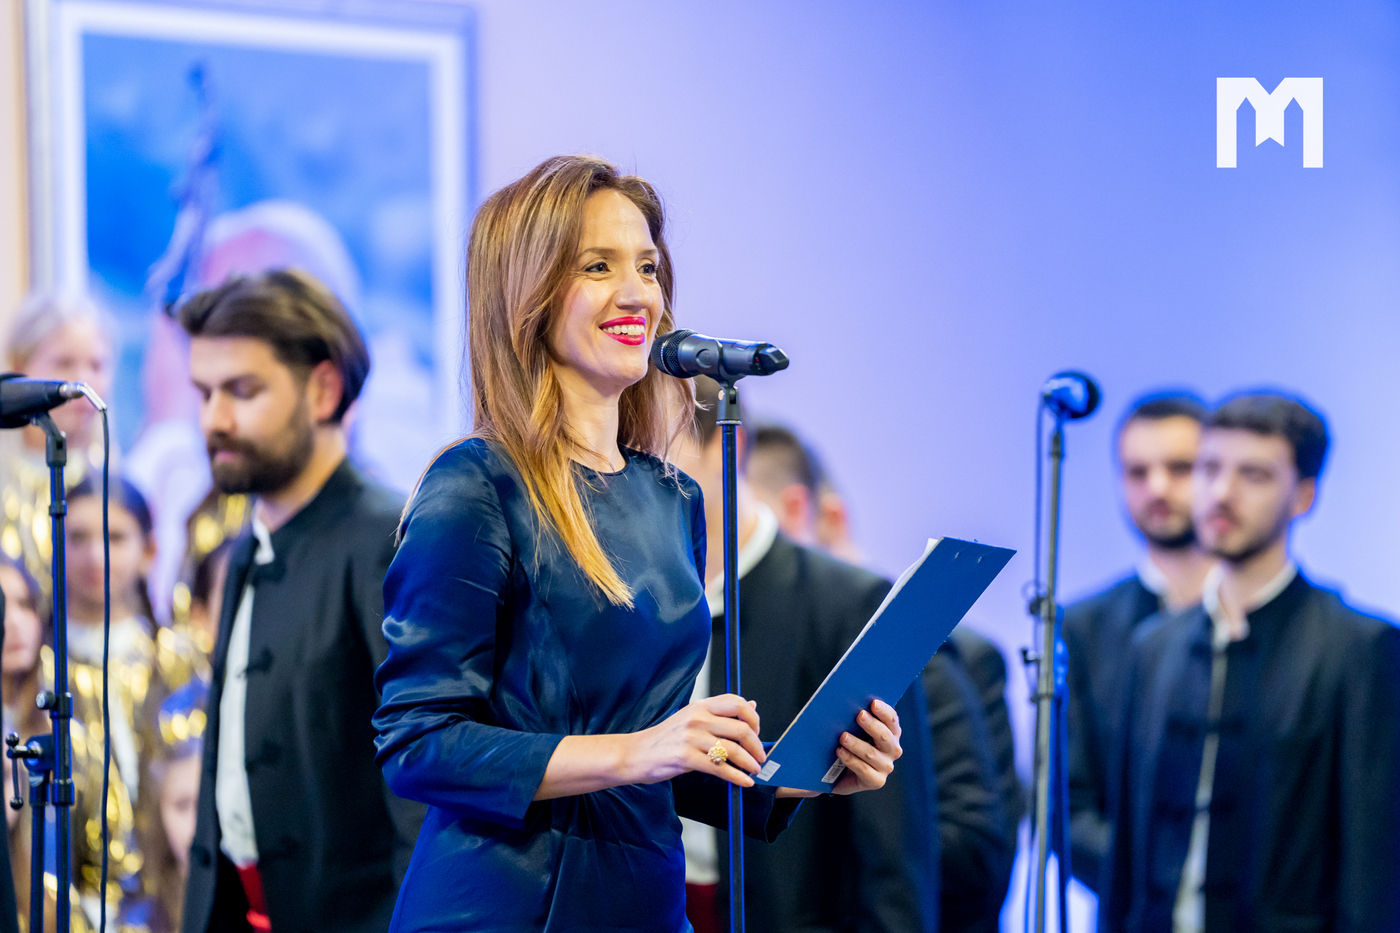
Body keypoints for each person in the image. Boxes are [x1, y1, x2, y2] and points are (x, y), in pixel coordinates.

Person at [372, 155, 904, 933]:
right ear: (528, 294)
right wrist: (639, 749)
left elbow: (659, 758)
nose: (638, 295)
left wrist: (800, 773)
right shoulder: (476, 484)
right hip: (506, 907)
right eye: (599, 266)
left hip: (642, 902)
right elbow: (417, 740)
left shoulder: (672, 498)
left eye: (648, 267)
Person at [176, 270, 424, 933]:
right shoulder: (245, 548)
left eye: (242, 391)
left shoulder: (384, 538)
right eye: (204, 393)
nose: (214, 419)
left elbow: (420, 786)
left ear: (323, 389)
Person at [1101, 392, 1400, 932]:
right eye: (1209, 468)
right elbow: (1125, 856)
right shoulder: (1153, 647)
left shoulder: (1358, 647)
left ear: (1303, 495)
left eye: (1254, 475)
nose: (1221, 493)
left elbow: (1371, 863)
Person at [672, 377, 938, 933]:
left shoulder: (846, 603)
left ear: (729, 446)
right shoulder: (631, 598)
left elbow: (893, 852)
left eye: (657, 450)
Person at [1063, 392, 1212, 892]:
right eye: (1137, 472)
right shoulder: (1084, 628)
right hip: (1134, 905)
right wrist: (1158, 883)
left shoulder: (1267, 621)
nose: (1158, 487)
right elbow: (1066, 806)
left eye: (1180, 468)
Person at [0, 292, 115, 598]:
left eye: (96, 365)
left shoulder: (112, 483)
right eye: (64, 363)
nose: (83, 382)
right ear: (20, 365)